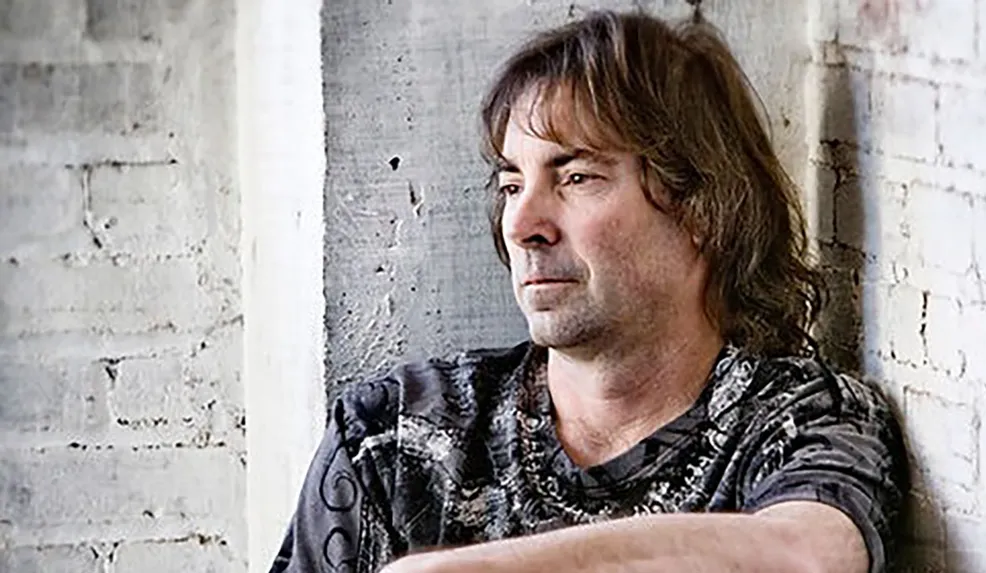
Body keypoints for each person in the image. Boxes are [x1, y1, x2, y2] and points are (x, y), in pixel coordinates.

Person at [270, 10, 908, 573]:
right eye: (512, 184)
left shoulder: (797, 421)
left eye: (575, 177)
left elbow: (808, 555)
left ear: (703, 210)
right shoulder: (394, 437)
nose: (522, 225)